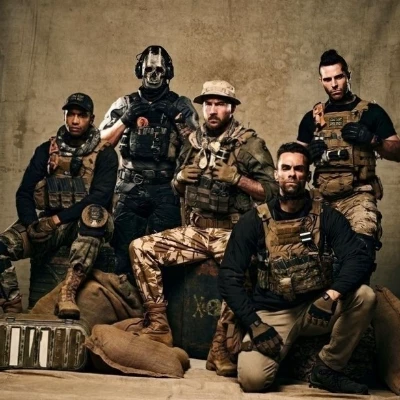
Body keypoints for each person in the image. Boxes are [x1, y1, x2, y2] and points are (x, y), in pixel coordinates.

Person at [129, 81, 278, 359]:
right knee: (140, 248)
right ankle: (159, 326)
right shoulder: (193, 142)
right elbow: (177, 187)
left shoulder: (249, 144)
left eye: (220, 104)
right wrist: (179, 179)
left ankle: (220, 347)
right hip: (196, 231)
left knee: (239, 272)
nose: (213, 110)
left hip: (232, 233)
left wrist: (237, 179)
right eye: (208, 104)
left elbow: (273, 192)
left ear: (231, 109)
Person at [218, 142, 376, 394]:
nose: (292, 174)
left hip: (317, 307)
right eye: (286, 168)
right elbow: (228, 275)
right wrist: (254, 324)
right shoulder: (253, 221)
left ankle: (327, 368)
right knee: (252, 381)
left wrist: (331, 294)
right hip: (273, 312)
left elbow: (358, 258)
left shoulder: (326, 216)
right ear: (276, 174)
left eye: (299, 169)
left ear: (307, 174)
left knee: (365, 296)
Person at [0, 93, 118, 319]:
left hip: (85, 225)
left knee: (94, 214)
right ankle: (12, 305)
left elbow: (99, 197)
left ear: (91, 119)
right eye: (70, 114)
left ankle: (68, 292)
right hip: (49, 223)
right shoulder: (46, 150)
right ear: (64, 116)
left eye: (81, 115)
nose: (75, 120)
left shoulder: (105, 153)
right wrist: (32, 224)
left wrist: (56, 221)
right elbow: (24, 192)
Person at [99, 45, 198, 276]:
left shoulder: (181, 105)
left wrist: (176, 118)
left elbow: (197, 146)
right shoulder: (124, 104)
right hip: (129, 188)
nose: (153, 75)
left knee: (165, 255)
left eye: (159, 70)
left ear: (168, 73)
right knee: (122, 254)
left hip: (165, 189)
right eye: (149, 70)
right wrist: (126, 118)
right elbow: (101, 144)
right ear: (140, 71)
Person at [297, 49, 400, 267]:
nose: (334, 84)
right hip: (322, 199)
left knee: (360, 250)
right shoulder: (313, 118)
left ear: (348, 75)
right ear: (321, 81)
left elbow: (398, 151)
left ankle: (358, 289)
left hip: (358, 196)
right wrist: (307, 155)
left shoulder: (371, 112)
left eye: (339, 77)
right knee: (309, 256)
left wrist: (373, 140)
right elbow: (292, 162)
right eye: (328, 79)